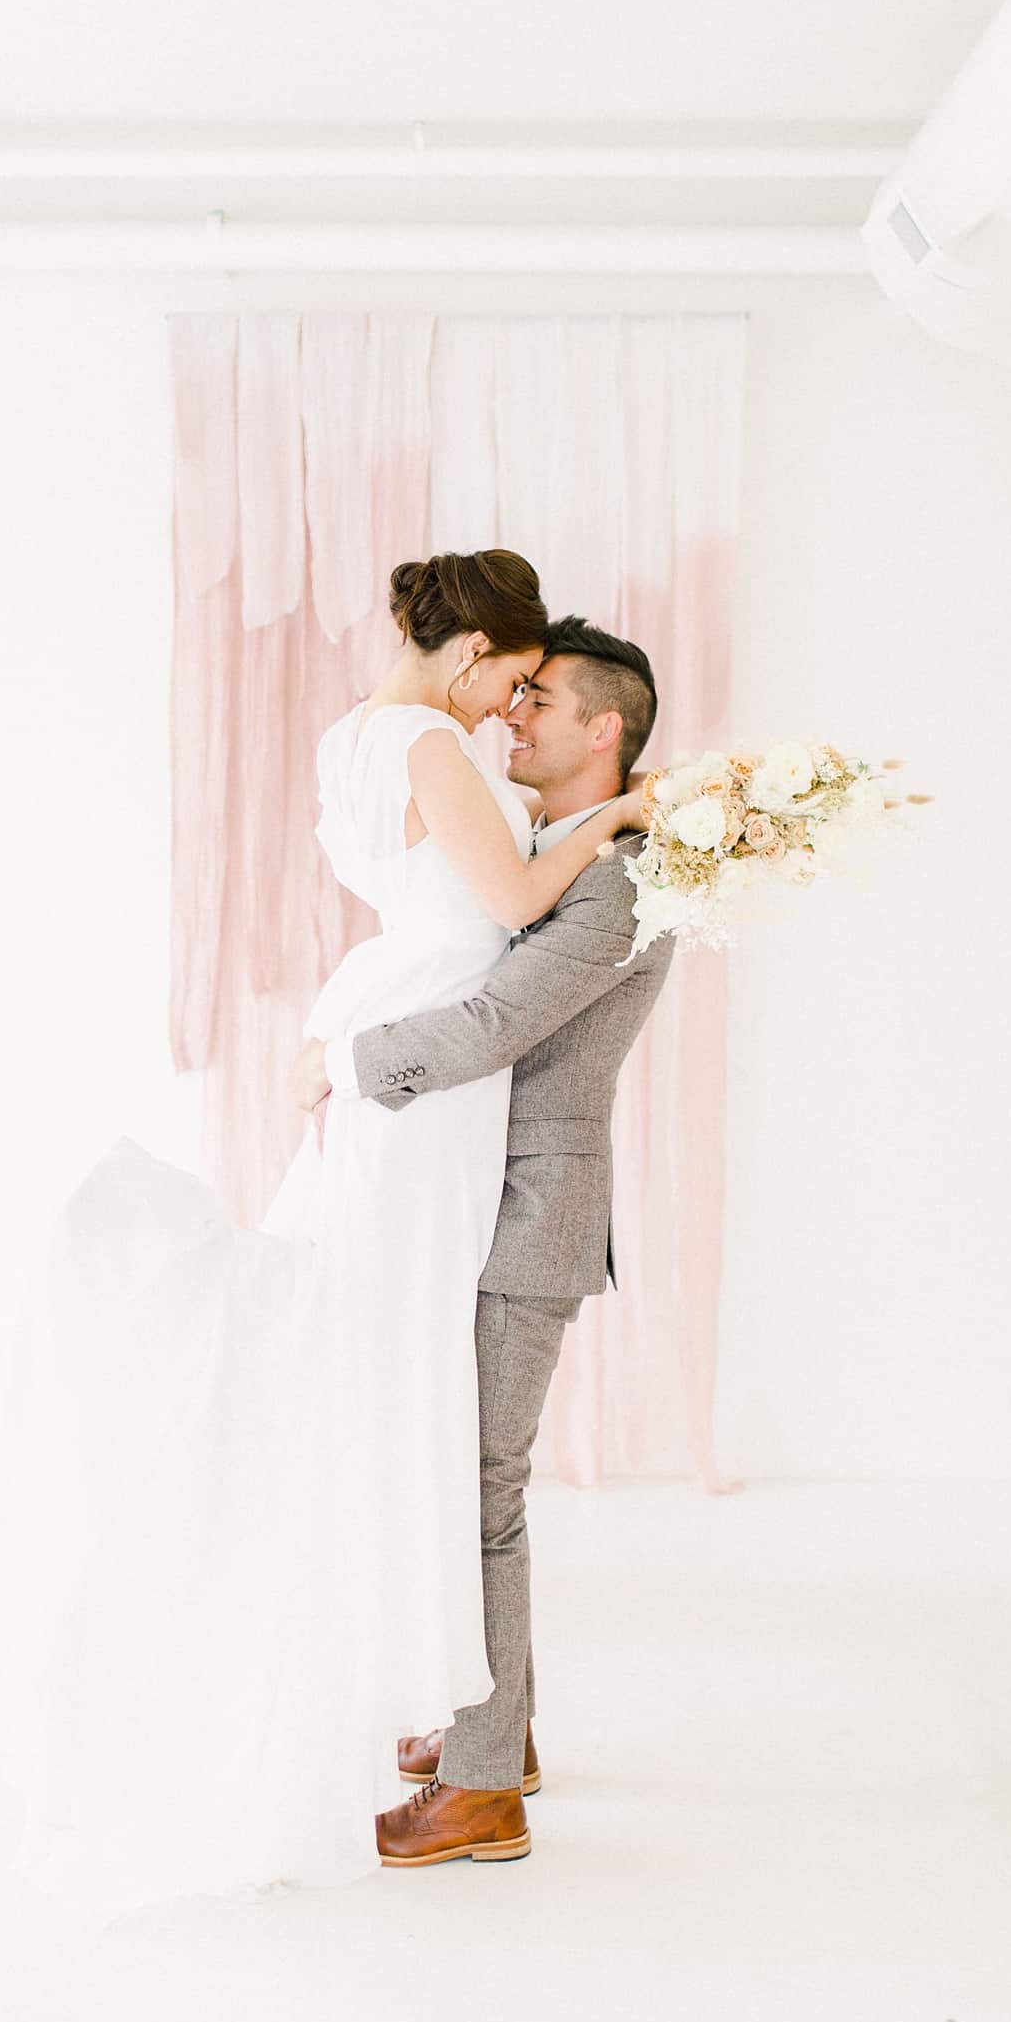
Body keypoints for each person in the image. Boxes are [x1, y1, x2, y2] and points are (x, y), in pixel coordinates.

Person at [0, 550, 649, 1915]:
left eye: (530, 696)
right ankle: (463, 1724)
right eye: (511, 682)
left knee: (402, 1364)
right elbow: (511, 914)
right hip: (425, 1067)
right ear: (469, 659)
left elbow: (481, 922)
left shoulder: (363, 740)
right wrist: (621, 813)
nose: (512, 714)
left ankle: (464, 1717)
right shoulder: (434, 745)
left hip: (409, 1037)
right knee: (402, 1361)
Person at [292, 616, 675, 1869]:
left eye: (541, 702)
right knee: (467, 1475)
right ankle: (493, 1737)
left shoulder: (623, 876)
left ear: (602, 730)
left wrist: (340, 1065)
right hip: (477, 1195)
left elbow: (498, 1020)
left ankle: (478, 1792)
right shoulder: (569, 848)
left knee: (477, 1489)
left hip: (527, 1211)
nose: (512, 717)